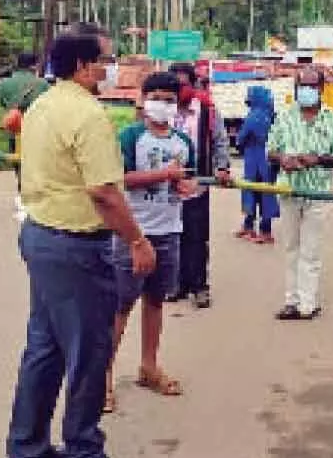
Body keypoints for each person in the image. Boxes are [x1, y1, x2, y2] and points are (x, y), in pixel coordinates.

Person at [7, 28, 156, 458]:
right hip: (76, 247)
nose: (111, 67)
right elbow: (105, 193)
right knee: (90, 352)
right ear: (81, 65)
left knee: (45, 347)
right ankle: (83, 447)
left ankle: (26, 445)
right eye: (106, 59)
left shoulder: (41, 105)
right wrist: (138, 241)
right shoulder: (89, 116)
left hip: (40, 237)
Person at [104, 72, 198, 413]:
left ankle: (148, 366)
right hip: (133, 233)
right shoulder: (131, 136)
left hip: (169, 231)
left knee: (156, 301)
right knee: (120, 305)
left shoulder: (182, 142)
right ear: (144, 100)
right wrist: (165, 176)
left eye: (170, 99)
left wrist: (184, 187)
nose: (163, 104)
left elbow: (185, 181)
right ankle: (104, 376)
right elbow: (120, 180)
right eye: (157, 97)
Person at [267, 67, 333, 320]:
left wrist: (317, 159)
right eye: (302, 86)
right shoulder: (284, 117)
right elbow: (270, 149)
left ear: (321, 89)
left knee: (310, 250)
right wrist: (282, 159)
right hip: (289, 189)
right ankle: (291, 301)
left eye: (312, 86)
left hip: (318, 193)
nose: (307, 91)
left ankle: (308, 303)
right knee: (291, 247)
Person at [168, 63, 231, 308]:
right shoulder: (164, 108)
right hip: (167, 186)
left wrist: (222, 167)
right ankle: (177, 284)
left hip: (197, 184)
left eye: (183, 85)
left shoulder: (207, 110)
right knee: (173, 236)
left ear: (193, 85)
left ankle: (199, 286)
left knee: (196, 237)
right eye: (174, 85)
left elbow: (219, 141)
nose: (178, 90)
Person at [0, 52, 50, 222]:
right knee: (36, 163)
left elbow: (3, 102)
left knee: (17, 161)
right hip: (36, 129)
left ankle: (21, 194)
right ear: (34, 65)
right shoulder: (41, 84)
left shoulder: (6, 83)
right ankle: (34, 198)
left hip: (15, 128)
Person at [236, 85, 280, 243]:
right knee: (267, 193)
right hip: (270, 161)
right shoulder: (273, 116)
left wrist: (239, 143)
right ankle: (262, 228)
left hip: (254, 160)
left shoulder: (253, 116)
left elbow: (241, 138)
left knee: (251, 192)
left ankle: (254, 228)